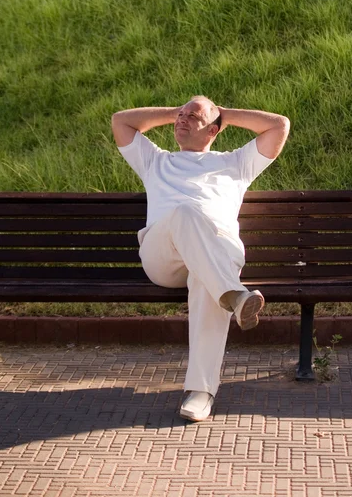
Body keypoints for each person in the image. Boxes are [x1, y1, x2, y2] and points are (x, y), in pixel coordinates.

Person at [112, 96, 290, 422]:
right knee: (184, 213)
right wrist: (175, 113)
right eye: (180, 115)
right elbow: (120, 121)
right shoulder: (155, 160)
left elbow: (279, 126)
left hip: (216, 255)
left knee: (206, 278)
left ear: (213, 130)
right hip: (164, 255)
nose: (182, 119)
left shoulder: (236, 163)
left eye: (193, 116)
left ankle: (200, 392)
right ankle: (235, 296)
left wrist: (222, 114)